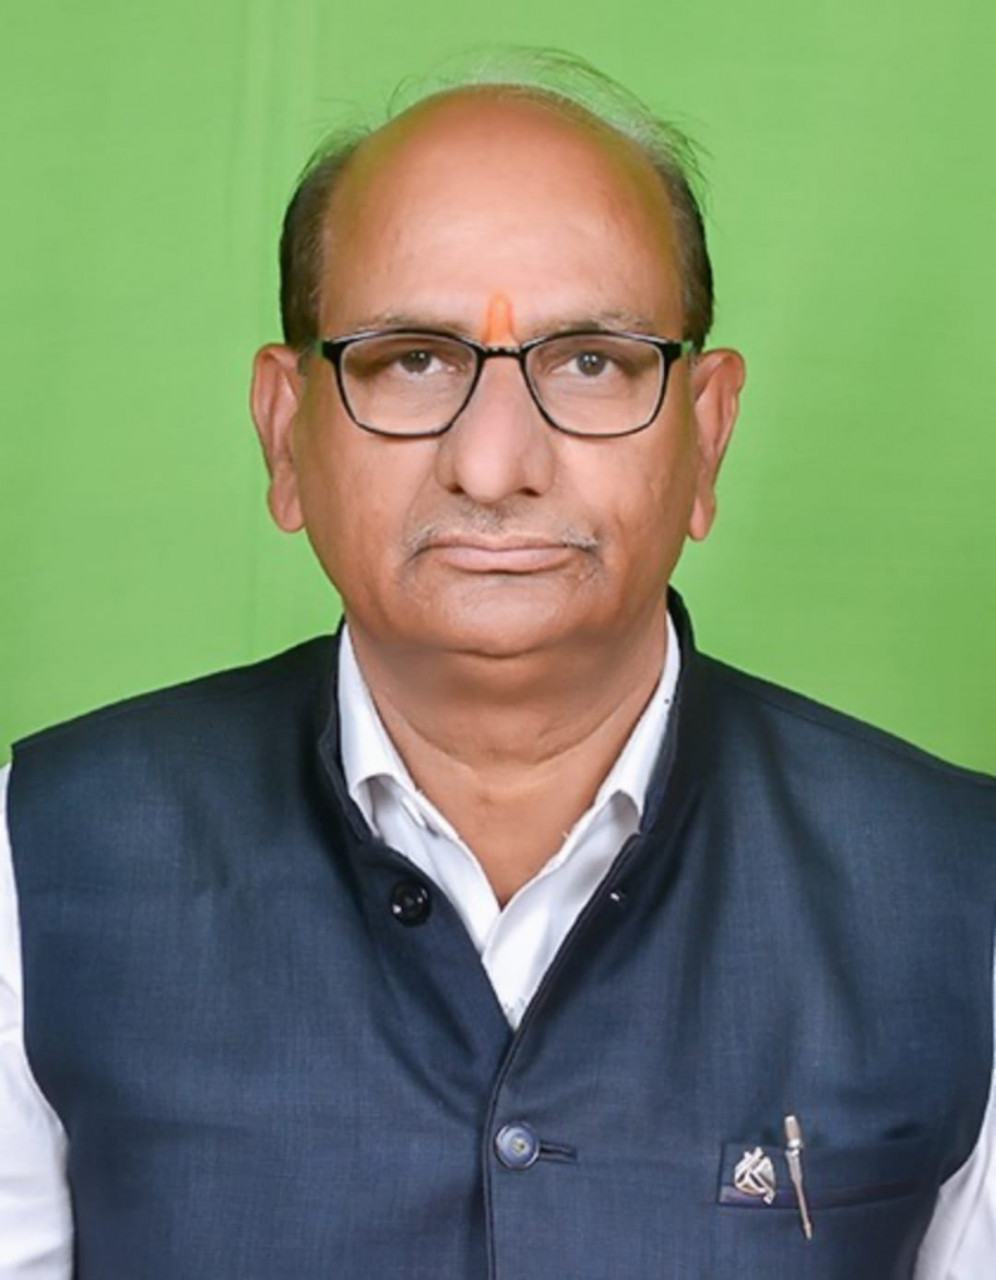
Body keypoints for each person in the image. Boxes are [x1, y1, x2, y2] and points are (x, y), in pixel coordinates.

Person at [2, 50, 994, 1279]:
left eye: (592, 361)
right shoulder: (37, 868)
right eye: (412, 358)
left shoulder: (960, 900)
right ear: (285, 433)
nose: (493, 464)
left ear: (706, 434)